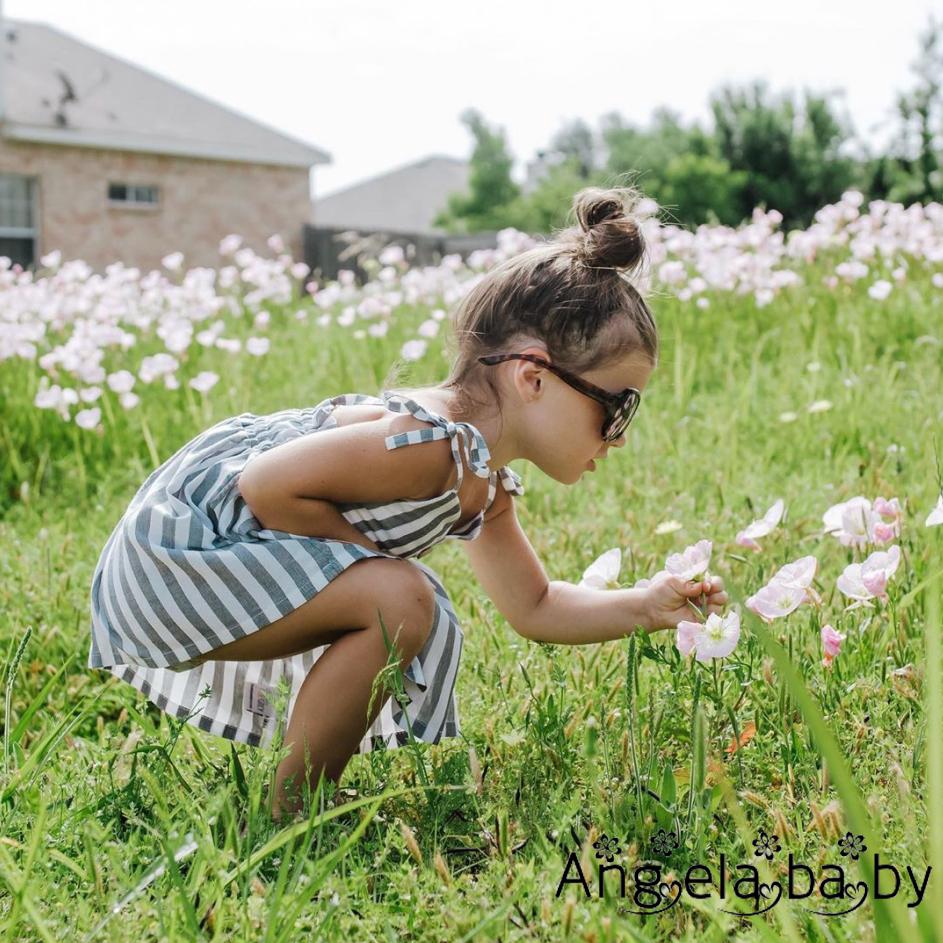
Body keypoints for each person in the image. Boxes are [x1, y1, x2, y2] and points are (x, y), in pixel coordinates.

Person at [88, 186, 728, 818]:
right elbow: (265, 483)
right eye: (616, 408)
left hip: (200, 575)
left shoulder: (482, 482)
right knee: (400, 598)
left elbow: (536, 607)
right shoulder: (429, 446)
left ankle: (302, 795)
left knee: (397, 597)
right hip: (169, 565)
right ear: (532, 377)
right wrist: (371, 567)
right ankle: (292, 809)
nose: (619, 436)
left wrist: (646, 606)